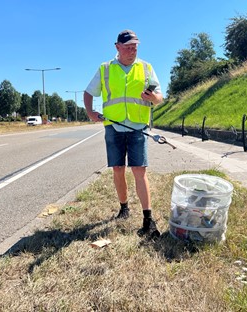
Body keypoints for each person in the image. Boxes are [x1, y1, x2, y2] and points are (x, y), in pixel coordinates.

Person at [84, 29, 163, 239]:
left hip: (138, 127)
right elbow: (88, 92)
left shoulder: (146, 67)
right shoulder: (105, 69)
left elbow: (159, 98)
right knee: (118, 169)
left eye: (135, 47)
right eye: (128, 47)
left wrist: (153, 97)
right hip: (114, 125)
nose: (132, 51)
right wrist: (91, 112)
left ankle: (148, 219)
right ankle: (124, 207)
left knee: (139, 170)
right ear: (117, 47)